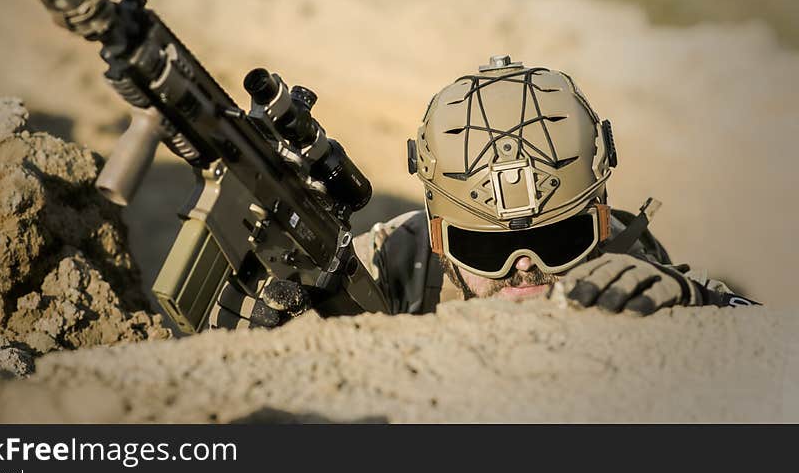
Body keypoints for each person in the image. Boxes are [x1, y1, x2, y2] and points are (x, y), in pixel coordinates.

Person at [209, 57, 754, 329]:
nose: (524, 270)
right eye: (487, 250)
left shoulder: (623, 262)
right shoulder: (395, 259)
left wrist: (692, 302)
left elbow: (760, 330)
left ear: (600, 220)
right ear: (441, 237)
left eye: (560, 240)